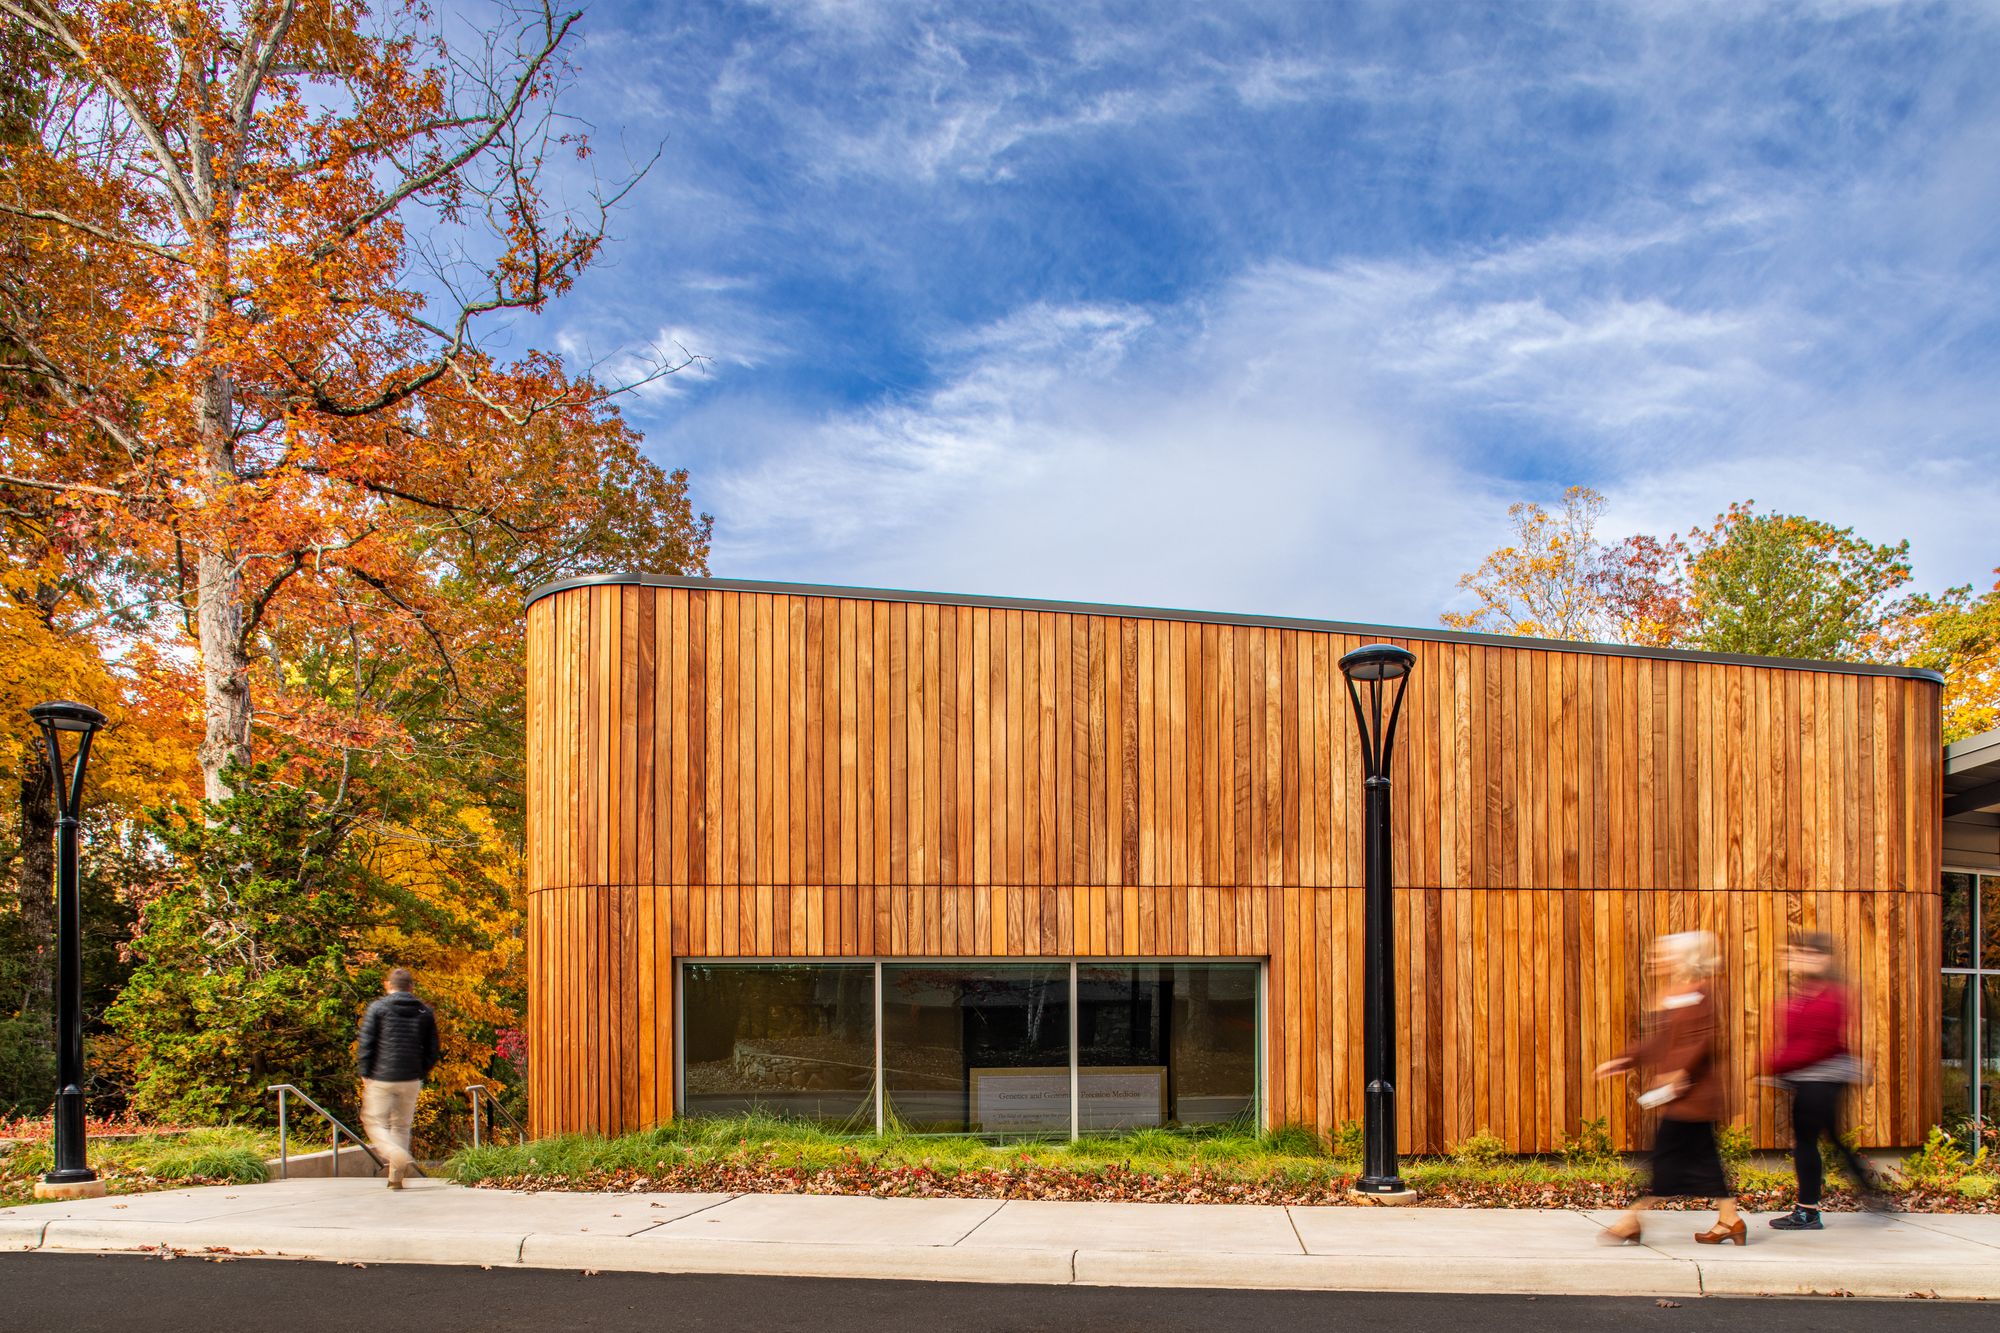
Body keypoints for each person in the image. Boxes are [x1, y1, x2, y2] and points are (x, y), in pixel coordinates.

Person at [1595, 931, 1745, 1247]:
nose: (1657, 959)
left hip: (1692, 1096)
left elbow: (1703, 1040)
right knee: (1705, 1159)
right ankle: (1730, 1220)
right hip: (1683, 1096)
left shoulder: (1699, 994)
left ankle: (1630, 1220)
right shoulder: (1676, 994)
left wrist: (1678, 1072)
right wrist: (1623, 1060)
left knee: (1665, 1159)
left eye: (1665, 954)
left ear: (1685, 958)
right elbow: (1660, 1041)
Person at [1765, 932, 1884, 1228]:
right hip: (1811, 1078)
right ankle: (1874, 1195)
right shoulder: (1806, 993)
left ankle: (1807, 1212)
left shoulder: (1830, 998)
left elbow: (1816, 1047)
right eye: (1795, 953)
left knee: (1805, 1142)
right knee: (1831, 1139)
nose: (1797, 959)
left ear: (1824, 958)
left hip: (1820, 1079)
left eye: (1806, 954)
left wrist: (1772, 1065)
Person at [357, 967, 440, 1189]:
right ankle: (395, 1178)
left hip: (382, 1076)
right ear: (411, 987)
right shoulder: (424, 1012)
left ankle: (396, 1153)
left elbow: (366, 1043)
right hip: (411, 1078)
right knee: (401, 1127)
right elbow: (433, 1049)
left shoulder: (378, 1009)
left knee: (373, 1121)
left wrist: (365, 1072)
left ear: (387, 985)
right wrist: (421, 1071)